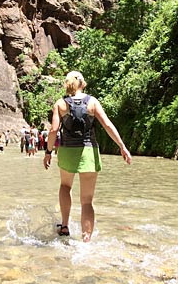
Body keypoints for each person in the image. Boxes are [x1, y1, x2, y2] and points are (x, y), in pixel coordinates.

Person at [43, 71, 131, 242]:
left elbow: (53, 130)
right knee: (87, 200)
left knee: (65, 186)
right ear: (82, 83)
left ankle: (64, 226)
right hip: (89, 152)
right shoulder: (92, 102)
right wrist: (122, 146)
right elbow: (107, 124)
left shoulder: (60, 104)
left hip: (67, 151)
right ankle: (86, 239)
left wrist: (48, 152)